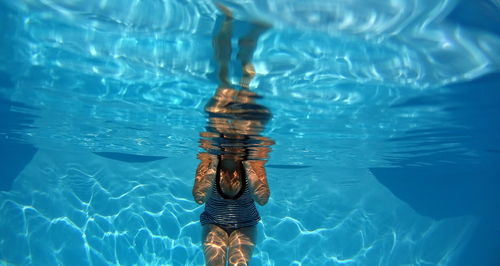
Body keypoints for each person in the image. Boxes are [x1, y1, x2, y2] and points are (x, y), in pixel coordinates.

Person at [192, 3, 272, 266]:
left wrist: (249, 167)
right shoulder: (209, 156)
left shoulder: (253, 157)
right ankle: (228, 21)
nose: (232, 145)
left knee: (228, 85)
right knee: (227, 81)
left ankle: (248, 40)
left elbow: (263, 199)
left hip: (246, 222)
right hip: (214, 221)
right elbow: (198, 197)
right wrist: (213, 162)